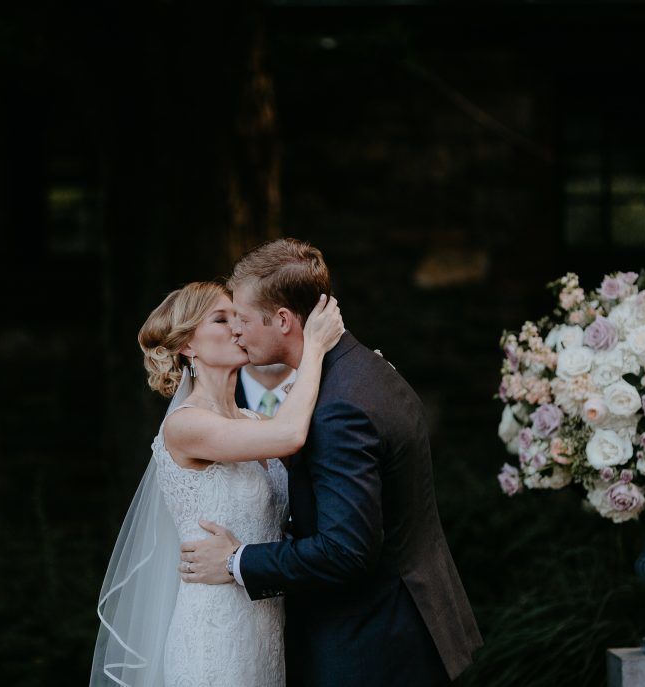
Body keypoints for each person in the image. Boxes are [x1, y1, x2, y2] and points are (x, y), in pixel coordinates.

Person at [179, 238, 483, 686]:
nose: (236, 332)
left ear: (283, 320)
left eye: (242, 319)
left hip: (369, 647)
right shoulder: (368, 370)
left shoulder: (338, 409)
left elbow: (345, 551)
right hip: (407, 623)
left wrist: (236, 561)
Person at [90, 280, 344, 687]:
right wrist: (312, 349)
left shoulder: (257, 422)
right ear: (188, 345)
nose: (237, 328)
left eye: (239, 318)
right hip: (212, 635)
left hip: (265, 631)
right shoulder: (185, 426)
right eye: (221, 319)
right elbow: (291, 435)